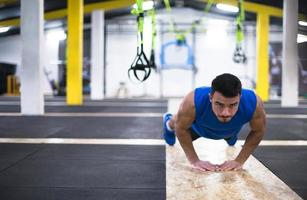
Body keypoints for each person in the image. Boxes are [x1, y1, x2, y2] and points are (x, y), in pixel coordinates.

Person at [163, 73, 266, 172]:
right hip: (198, 129)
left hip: (231, 131)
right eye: (219, 104)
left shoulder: (254, 103)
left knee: (231, 141)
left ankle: (229, 136)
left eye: (233, 105)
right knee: (179, 121)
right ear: (210, 98)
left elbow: (258, 131)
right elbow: (181, 128)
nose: (225, 112)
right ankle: (168, 123)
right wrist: (194, 160)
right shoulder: (193, 101)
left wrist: (239, 161)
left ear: (240, 98)